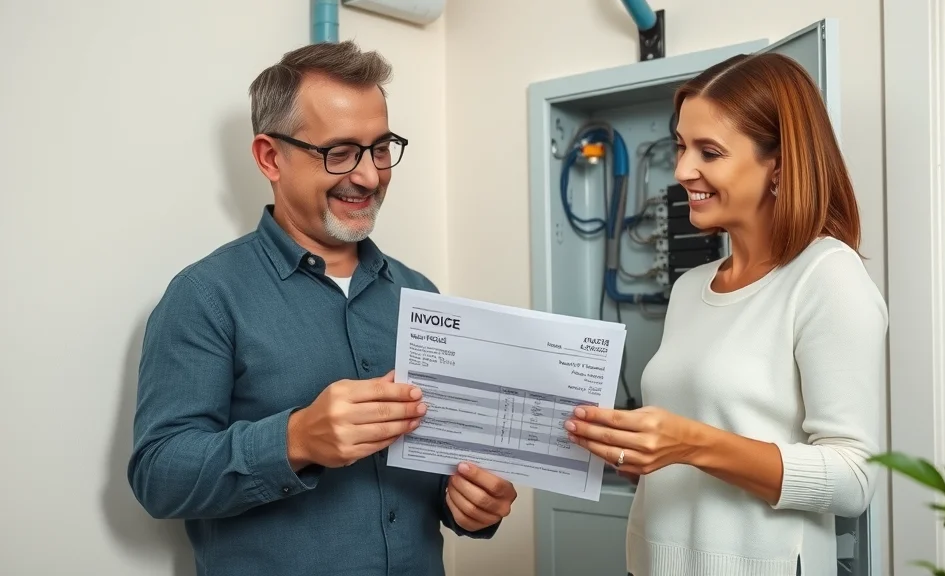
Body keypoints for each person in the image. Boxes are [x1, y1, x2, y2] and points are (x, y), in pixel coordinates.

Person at [127, 41, 516, 576]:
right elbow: (158, 476)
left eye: (381, 148)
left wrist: (472, 505)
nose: (370, 176)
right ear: (270, 157)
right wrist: (297, 439)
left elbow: (443, 469)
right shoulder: (205, 296)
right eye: (339, 152)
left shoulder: (420, 296)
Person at [565, 52, 888, 576]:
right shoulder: (691, 288)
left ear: (779, 165)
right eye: (680, 146)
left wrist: (689, 443)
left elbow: (854, 479)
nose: (681, 170)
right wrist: (634, 449)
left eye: (708, 152)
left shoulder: (827, 275)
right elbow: (689, 453)